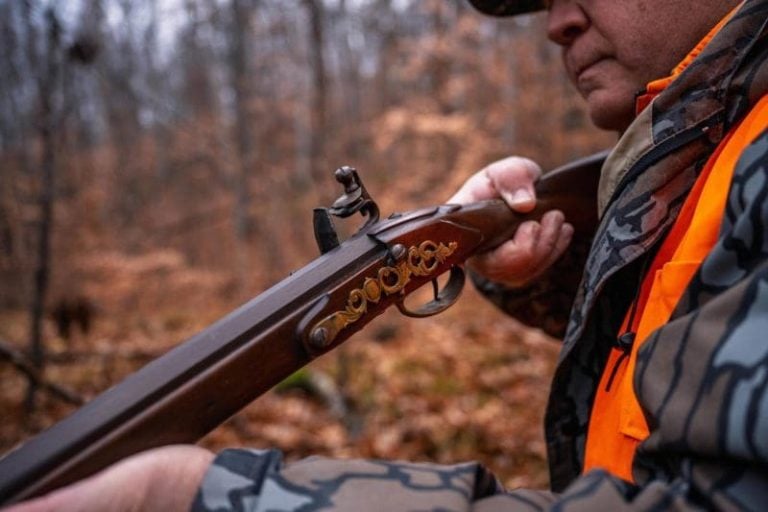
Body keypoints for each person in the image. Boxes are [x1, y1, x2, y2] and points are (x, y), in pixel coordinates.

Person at [8, 0, 768, 510]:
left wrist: (201, 497)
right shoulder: (709, 145)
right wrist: (542, 269)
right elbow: (699, 330)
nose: (556, 21)